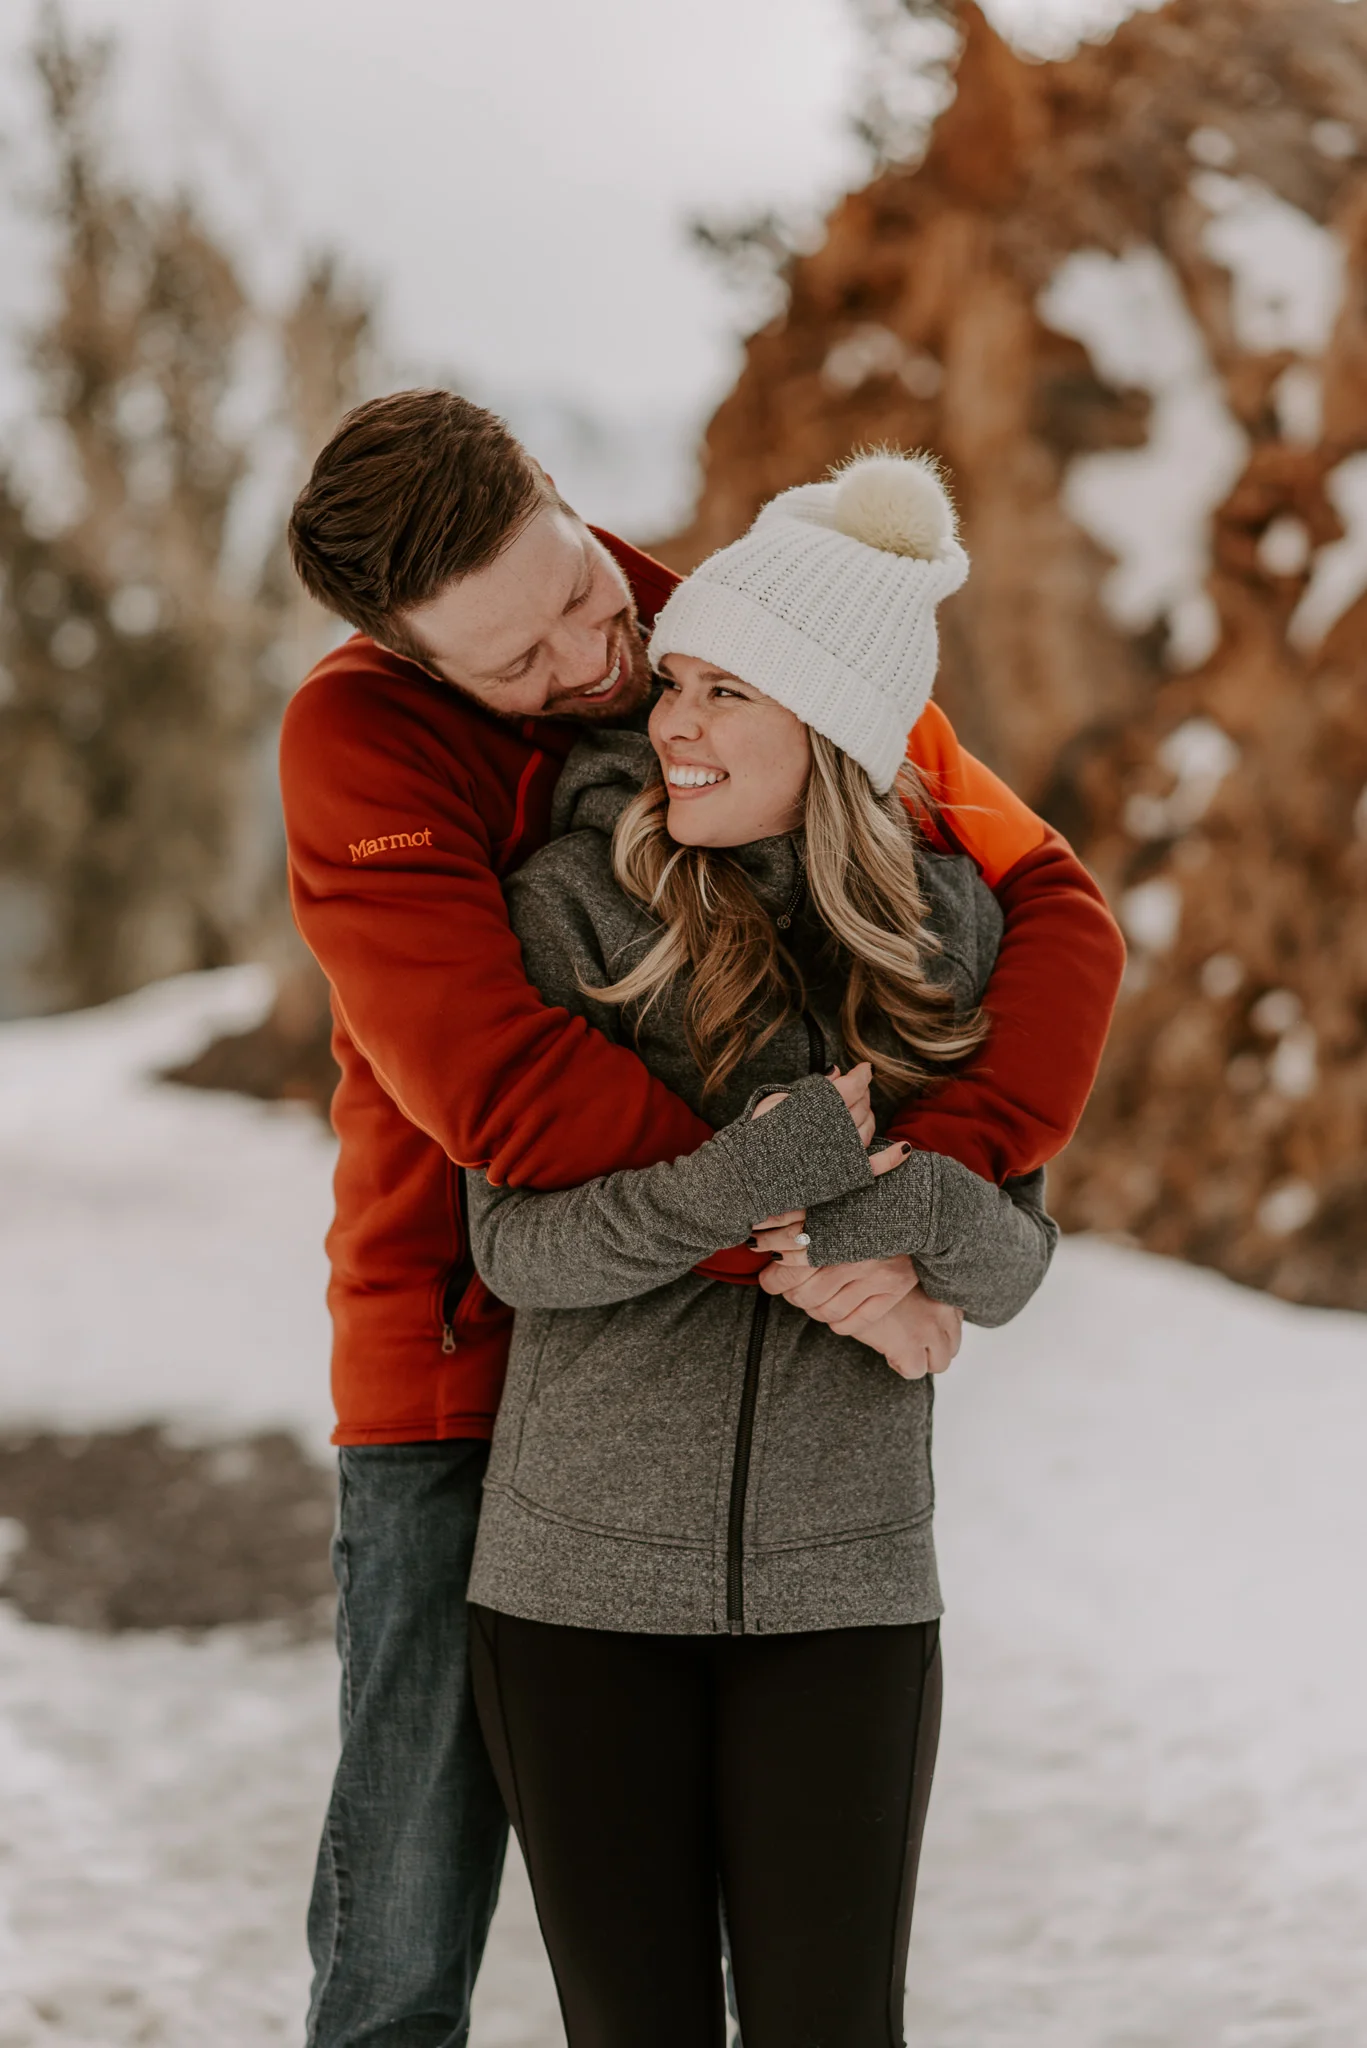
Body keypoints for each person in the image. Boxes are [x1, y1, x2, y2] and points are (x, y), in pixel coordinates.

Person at [280, 392, 1125, 2047]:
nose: (592, 665)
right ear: (417, 662)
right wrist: (811, 1237)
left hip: (759, 1417)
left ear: (566, 506)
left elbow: (1053, 906)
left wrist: (921, 1211)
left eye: (580, 595)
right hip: (454, 1353)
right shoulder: (361, 742)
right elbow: (512, 1103)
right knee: (409, 1904)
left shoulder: (732, 635)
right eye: (514, 665)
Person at [460, 451, 1063, 2046]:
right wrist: (753, 1176)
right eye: (674, 682)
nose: (670, 724)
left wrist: (903, 1219)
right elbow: (520, 1250)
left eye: (726, 692)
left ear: (836, 726)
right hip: (576, 1595)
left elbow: (1011, 1267)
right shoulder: (574, 910)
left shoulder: (954, 936)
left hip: (847, 1597)